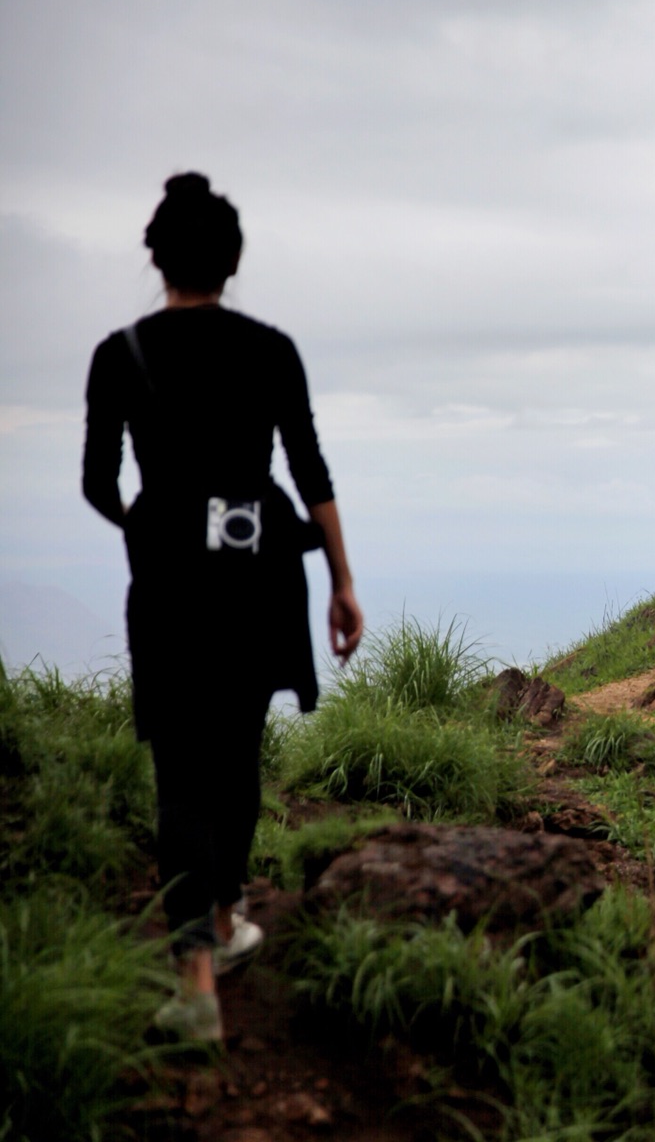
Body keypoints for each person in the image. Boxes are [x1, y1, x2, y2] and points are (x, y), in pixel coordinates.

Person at [82, 172, 363, 1042]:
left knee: (180, 769)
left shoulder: (118, 355)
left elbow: (98, 484)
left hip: (169, 587)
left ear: (157, 257)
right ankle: (234, 911)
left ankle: (195, 975)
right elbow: (309, 471)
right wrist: (343, 583)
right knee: (237, 746)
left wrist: (155, 526)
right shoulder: (271, 351)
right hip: (259, 575)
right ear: (232, 260)